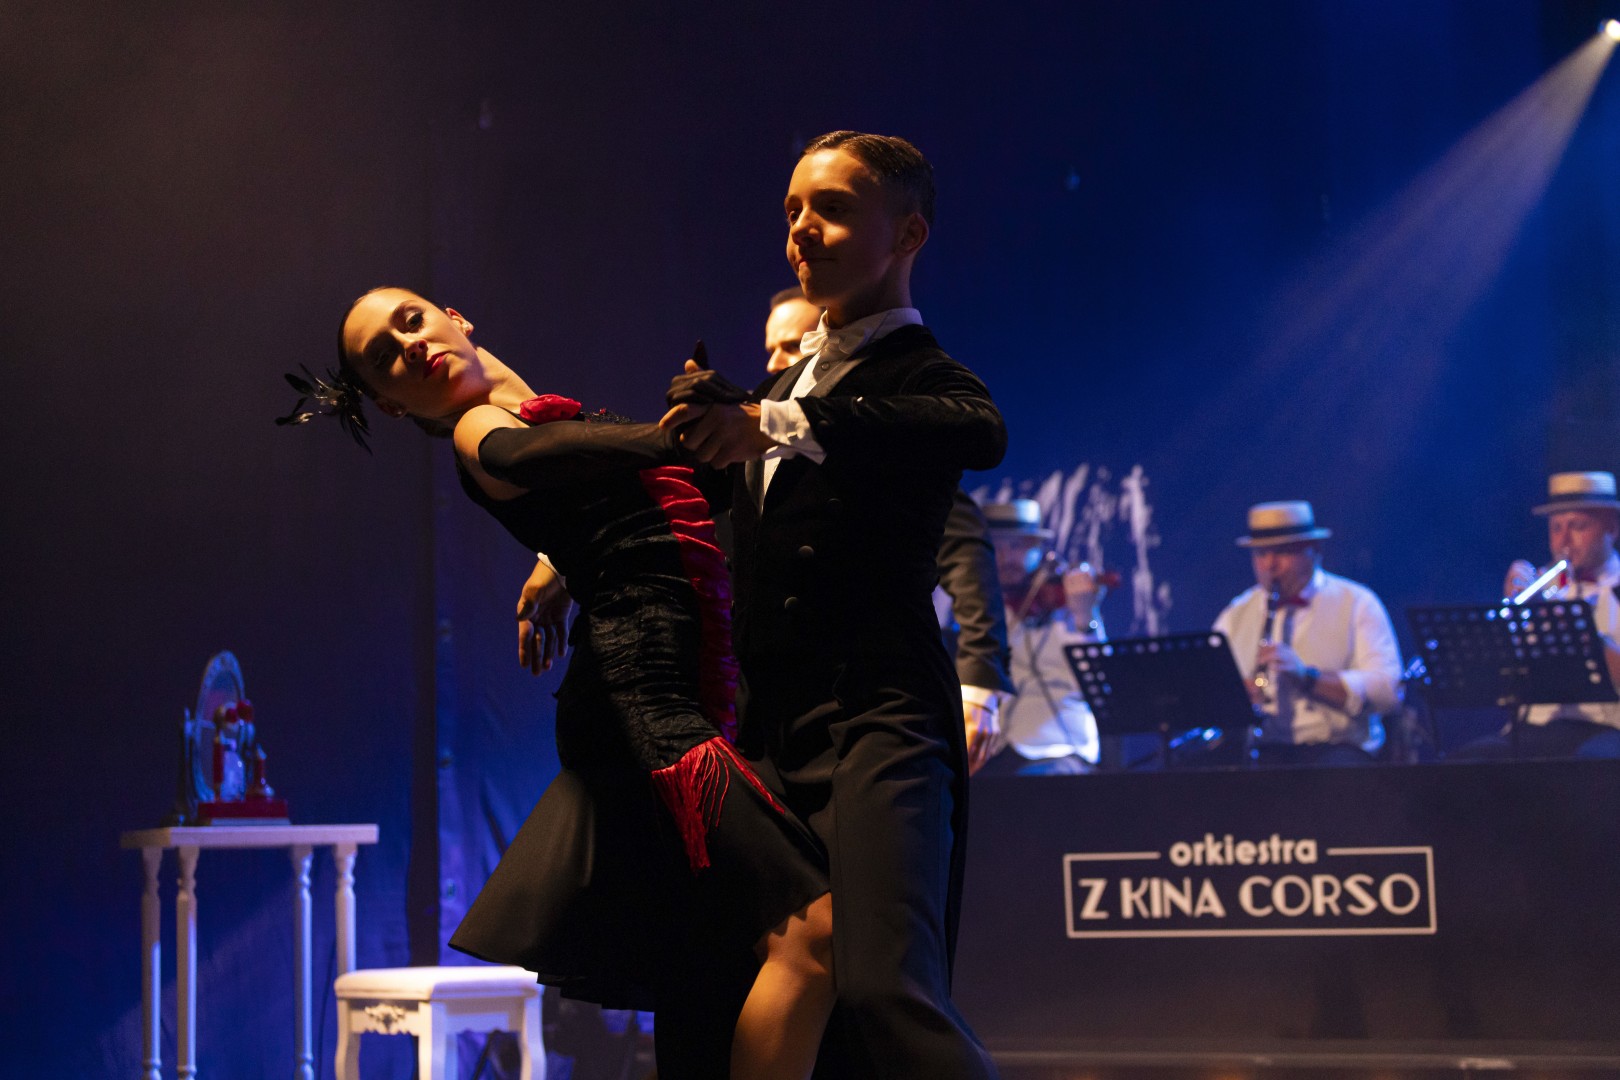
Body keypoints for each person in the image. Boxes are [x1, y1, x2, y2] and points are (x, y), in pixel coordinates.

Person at [297, 286, 837, 1080]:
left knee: (712, 965)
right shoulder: (479, 428)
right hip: (648, 711)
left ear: (456, 317)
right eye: (386, 358)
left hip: (679, 696)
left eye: (411, 321)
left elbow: (638, 490)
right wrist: (672, 434)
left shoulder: (542, 414)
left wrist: (559, 559)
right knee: (812, 931)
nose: (409, 345)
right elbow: (528, 459)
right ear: (391, 403)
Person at [661, 131, 1005, 1079]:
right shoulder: (784, 383)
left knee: (886, 988)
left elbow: (977, 428)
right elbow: (682, 487)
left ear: (909, 234)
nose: (802, 231)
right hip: (772, 725)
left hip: (879, 715)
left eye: (832, 210)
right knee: (742, 973)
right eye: (792, 213)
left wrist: (775, 421)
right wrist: (559, 559)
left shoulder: (916, 373)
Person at [762, 286, 1014, 773]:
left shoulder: (877, 424)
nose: (775, 362)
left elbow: (965, 551)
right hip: (776, 694)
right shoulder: (766, 413)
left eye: (791, 345)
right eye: (770, 348)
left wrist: (979, 679)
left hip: (869, 690)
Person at [1214, 501, 1402, 766]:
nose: (1270, 565)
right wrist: (1235, 695)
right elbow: (1211, 690)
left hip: (1337, 751)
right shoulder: (1235, 613)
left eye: (1283, 552)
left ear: (1314, 550)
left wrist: (1307, 677)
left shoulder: (1357, 602)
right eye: (1261, 554)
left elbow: (1389, 691)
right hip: (1264, 751)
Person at [1485, 471, 1620, 758]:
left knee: (1588, 761)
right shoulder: (1541, 585)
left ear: (1612, 527)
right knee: (1475, 758)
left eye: (1578, 526)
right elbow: (1502, 673)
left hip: (1607, 726)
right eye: (1556, 528)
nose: (1564, 541)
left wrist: (1586, 637)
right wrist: (1515, 615)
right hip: (1538, 725)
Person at [974, 499, 1104, 775]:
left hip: (1060, 750)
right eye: (996, 547)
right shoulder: (981, 608)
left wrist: (1084, 617)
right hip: (998, 752)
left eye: (1016, 546)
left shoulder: (1068, 606)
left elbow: (1099, 681)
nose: (1006, 558)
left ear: (1038, 549)